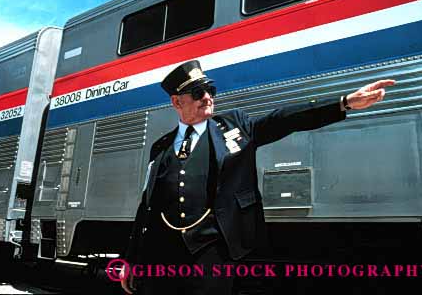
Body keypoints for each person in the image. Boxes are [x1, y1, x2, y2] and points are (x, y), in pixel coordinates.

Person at [121, 60, 395, 294]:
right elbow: (146, 206)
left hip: (212, 252)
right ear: (176, 102)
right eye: (197, 92)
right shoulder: (161, 147)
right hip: (162, 254)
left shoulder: (235, 125)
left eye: (210, 89)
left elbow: (284, 119)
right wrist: (131, 259)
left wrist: (343, 103)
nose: (208, 96)